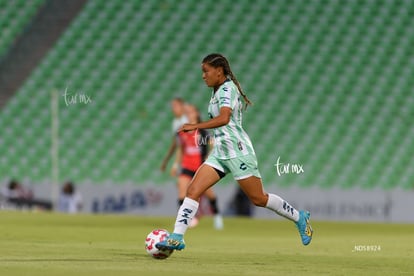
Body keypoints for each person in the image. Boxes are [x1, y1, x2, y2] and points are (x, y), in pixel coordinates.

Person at [156, 53, 313, 251]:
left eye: (206, 71)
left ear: (219, 71)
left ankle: (300, 218)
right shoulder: (217, 90)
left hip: (237, 151)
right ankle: (177, 236)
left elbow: (224, 119)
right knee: (193, 190)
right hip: (221, 152)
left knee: (258, 199)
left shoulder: (227, 89)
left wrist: (194, 125)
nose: (203, 76)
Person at [171, 103, 223, 229]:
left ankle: (217, 217)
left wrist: (209, 157)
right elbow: (180, 149)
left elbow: (214, 144)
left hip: (200, 168)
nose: (188, 114)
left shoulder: (203, 132)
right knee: (182, 193)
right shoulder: (182, 132)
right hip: (186, 167)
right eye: (187, 112)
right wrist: (176, 164)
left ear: (197, 114)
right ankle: (184, 221)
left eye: (191, 112)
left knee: (209, 194)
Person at [160, 97, 188, 172]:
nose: (173, 109)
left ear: (182, 106)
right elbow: (176, 143)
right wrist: (166, 160)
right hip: (185, 160)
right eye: (172, 106)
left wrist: (175, 164)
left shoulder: (188, 120)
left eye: (175, 106)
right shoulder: (176, 122)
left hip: (193, 158)